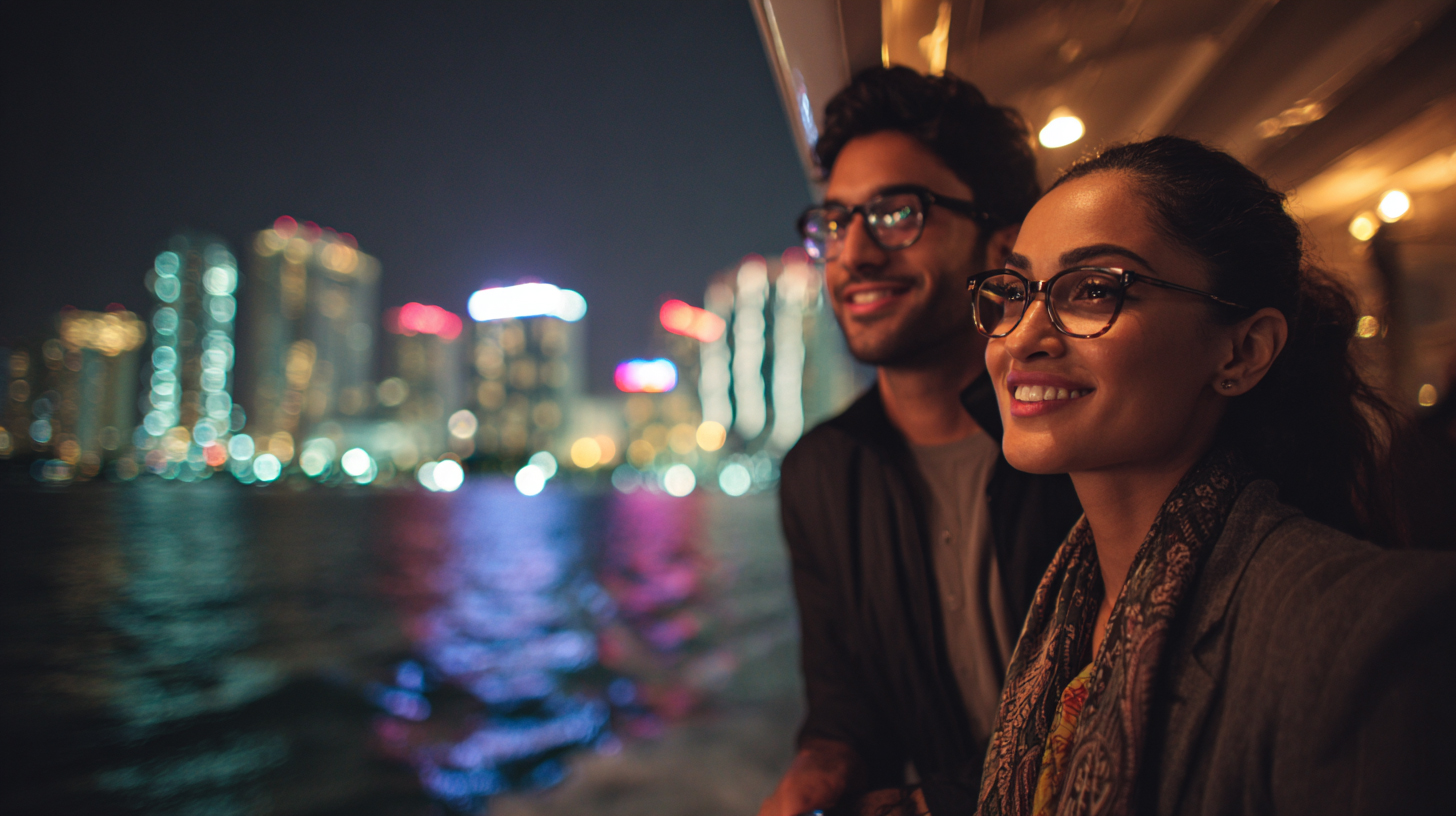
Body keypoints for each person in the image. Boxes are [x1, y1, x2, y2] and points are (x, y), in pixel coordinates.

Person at [969, 136, 1456, 815]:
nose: (1021, 336)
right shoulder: (1063, 607)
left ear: (1243, 351)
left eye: (1093, 290)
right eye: (1017, 291)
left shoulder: (1361, 635)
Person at [758, 67, 1082, 816]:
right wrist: (820, 771)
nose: (855, 255)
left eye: (897, 213)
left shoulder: (1080, 439)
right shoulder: (821, 472)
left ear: (1001, 246)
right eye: (835, 222)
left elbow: (1128, 701)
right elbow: (845, 709)